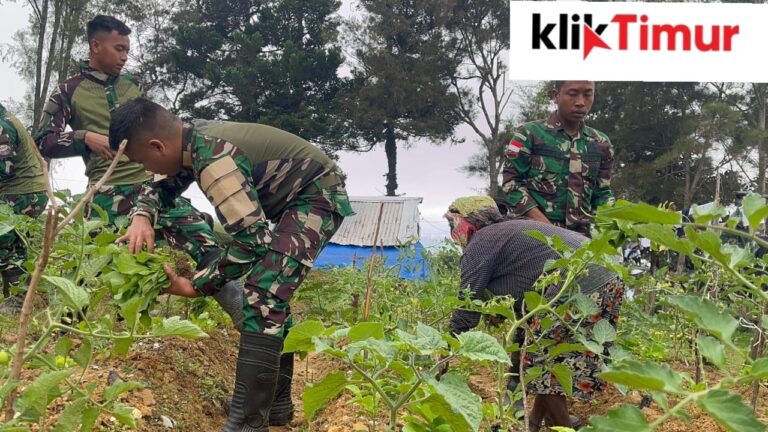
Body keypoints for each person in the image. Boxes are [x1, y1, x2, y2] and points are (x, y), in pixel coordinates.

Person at [108, 98, 355, 431]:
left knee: (264, 296)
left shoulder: (214, 159)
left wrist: (195, 286)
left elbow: (252, 242)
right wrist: (142, 215)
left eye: (141, 161)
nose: (144, 169)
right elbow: (161, 187)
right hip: (293, 197)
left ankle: (247, 423)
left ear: (157, 146)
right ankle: (275, 406)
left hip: (316, 195)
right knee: (269, 294)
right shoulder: (186, 140)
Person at [34, 15, 219, 268]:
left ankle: (242, 302)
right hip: (105, 193)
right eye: (119, 49)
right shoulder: (68, 90)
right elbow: (43, 142)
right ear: (96, 46)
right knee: (93, 276)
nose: (124, 57)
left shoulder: (134, 85)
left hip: (150, 187)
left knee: (209, 249)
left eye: (127, 50)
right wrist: (84, 138)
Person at [445, 196, 623, 431]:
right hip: (608, 274)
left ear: (467, 223)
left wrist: (444, 350)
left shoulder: (483, 241)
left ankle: (564, 428)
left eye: (452, 226)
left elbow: (467, 303)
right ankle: (535, 422)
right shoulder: (510, 233)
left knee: (542, 362)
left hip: (580, 278)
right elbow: (523, 298)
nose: (453, 235)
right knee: (544, 354)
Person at [501, 80, 614, 236]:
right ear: (556, 95)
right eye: (573, 94)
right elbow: (511, 184)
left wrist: (613, 229)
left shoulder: (601, 143)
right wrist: (549, 230)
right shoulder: (528, 134)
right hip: (534, 238)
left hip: (583, 244)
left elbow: (602, 194)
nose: (581, 102)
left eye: (588, 94)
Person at [0, 103, 48, 313]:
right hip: (24, 191)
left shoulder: (2, 125)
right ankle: (19, 298)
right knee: (14, 244)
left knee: (4, 242)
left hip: (23, 193)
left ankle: (16, 300)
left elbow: (4, 169)